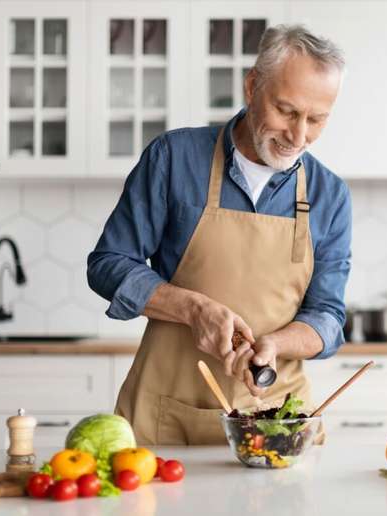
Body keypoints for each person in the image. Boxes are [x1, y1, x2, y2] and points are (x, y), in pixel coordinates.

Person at [87, 25, 351, 445]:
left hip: (275, 421)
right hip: (166, 416)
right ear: (252, 86)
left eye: (316, 119)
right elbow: (108, 264)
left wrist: (275, 343)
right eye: (286, 111)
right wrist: (193, 309)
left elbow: (328, 317)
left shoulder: (329, 194)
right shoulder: (174, 158)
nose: (298, 136)